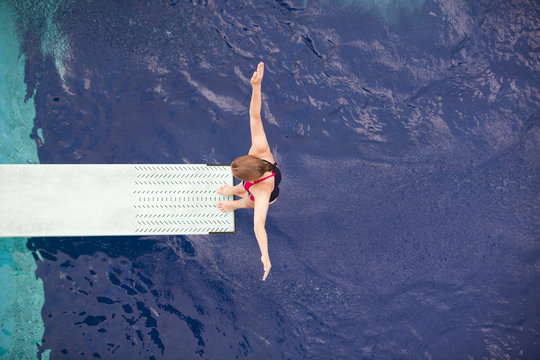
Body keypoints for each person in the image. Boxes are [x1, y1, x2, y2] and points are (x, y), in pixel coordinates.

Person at [216, 61, 281, 281]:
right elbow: (255, 116)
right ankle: (236, 190)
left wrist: (265, 255)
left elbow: (259, 226)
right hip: (257, 178)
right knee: (243, 189)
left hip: (267, 191)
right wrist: (256, 86)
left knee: (248, 201)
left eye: (239, 176)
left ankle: (235, 202)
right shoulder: (259, 149)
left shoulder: (262, 194)